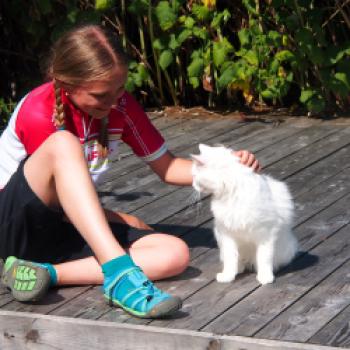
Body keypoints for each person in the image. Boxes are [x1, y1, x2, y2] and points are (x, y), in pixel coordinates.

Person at [0, 24, 260, 318]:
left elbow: (169, 168)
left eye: (120, 89)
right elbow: (56, 202)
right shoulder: (37, 110)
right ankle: (120, 274)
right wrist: (119, 218)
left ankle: (45, 273)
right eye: (100, 95)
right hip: (13, 226)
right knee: (63, 142)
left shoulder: (119, 105)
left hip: (62, 229)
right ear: (66, 84)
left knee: (174, 255)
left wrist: (227, 168)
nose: (113, 103)